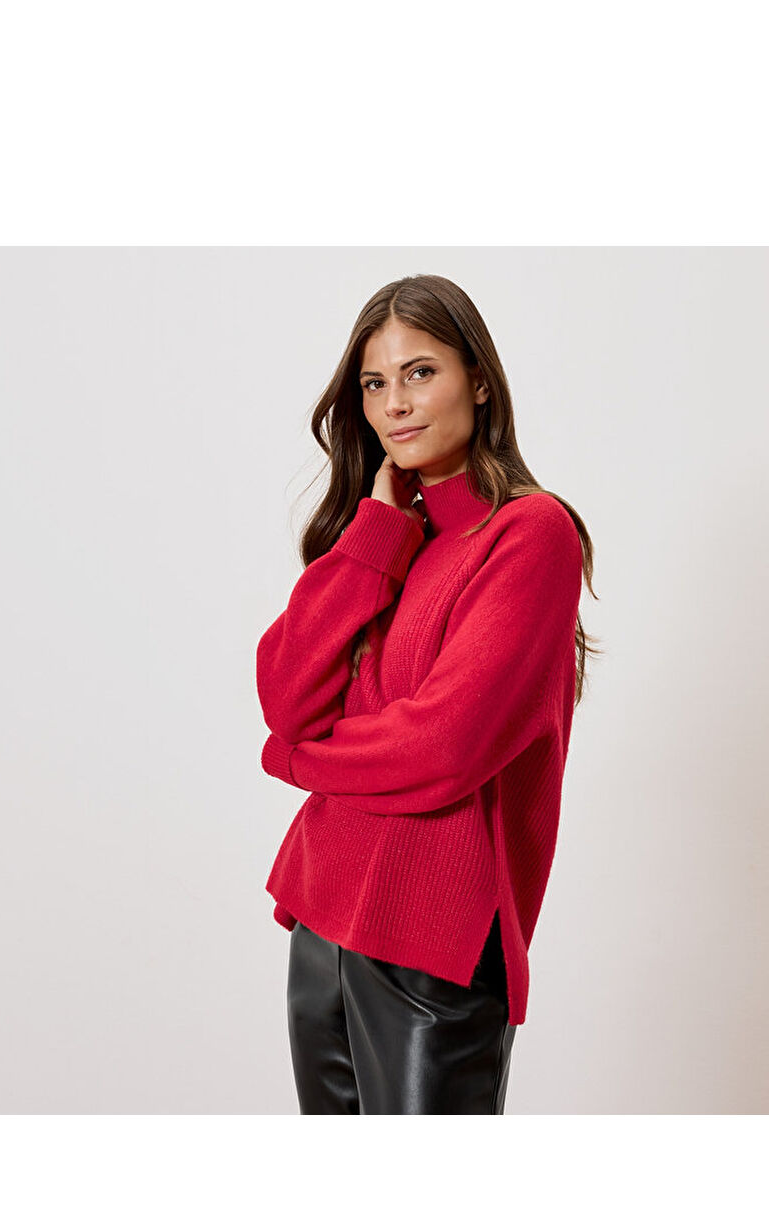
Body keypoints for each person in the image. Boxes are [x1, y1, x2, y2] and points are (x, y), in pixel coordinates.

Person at [256, 273, 599, 1114]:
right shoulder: (386, 540)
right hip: (320, 925)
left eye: (420, 373)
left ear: (478, 380)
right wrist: (375, 534)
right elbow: (287, 699)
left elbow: (442, 749)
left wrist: (297, 761)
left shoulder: (530, 534)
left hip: (433, 946)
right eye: (375, 384)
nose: (395, 405)